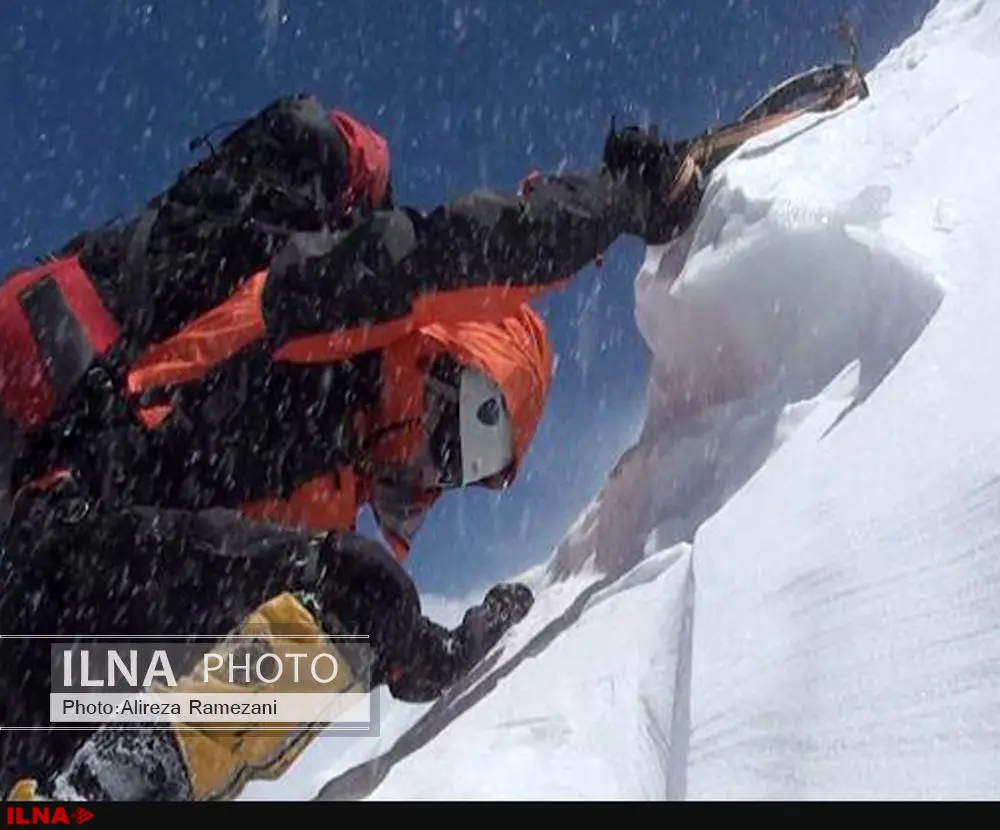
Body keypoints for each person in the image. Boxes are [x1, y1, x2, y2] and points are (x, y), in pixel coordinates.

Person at [0, 94, 705, 801]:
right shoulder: (315, 308)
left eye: (475, 464)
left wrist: (457, 648)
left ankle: (71, 807)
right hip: (48, 555)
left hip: (46, 671)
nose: (445, 459)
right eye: (470, 420)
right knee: (355, 596)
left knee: (335, 619)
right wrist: (617, 200)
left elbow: (342, 650)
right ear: (436, 357)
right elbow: (468, 247)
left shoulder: (323, 496)